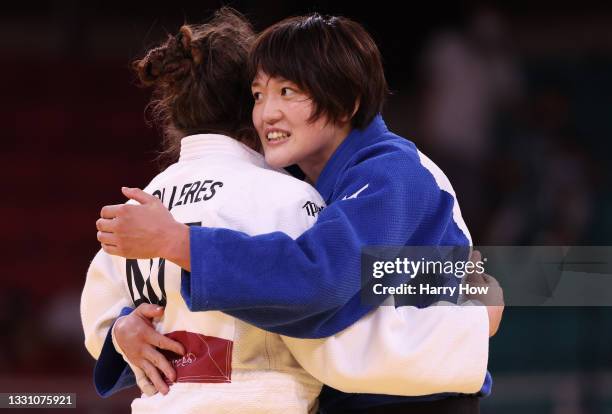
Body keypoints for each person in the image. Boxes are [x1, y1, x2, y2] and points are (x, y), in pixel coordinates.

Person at [96, 12, 503, 413]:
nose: (267, 113)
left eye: (287, 92)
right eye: (258, 95)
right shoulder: (296, 181)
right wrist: (124, 328)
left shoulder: (393, 174)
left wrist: (179, 242)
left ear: (346, 102)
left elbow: (318, 279)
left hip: (418, 404)